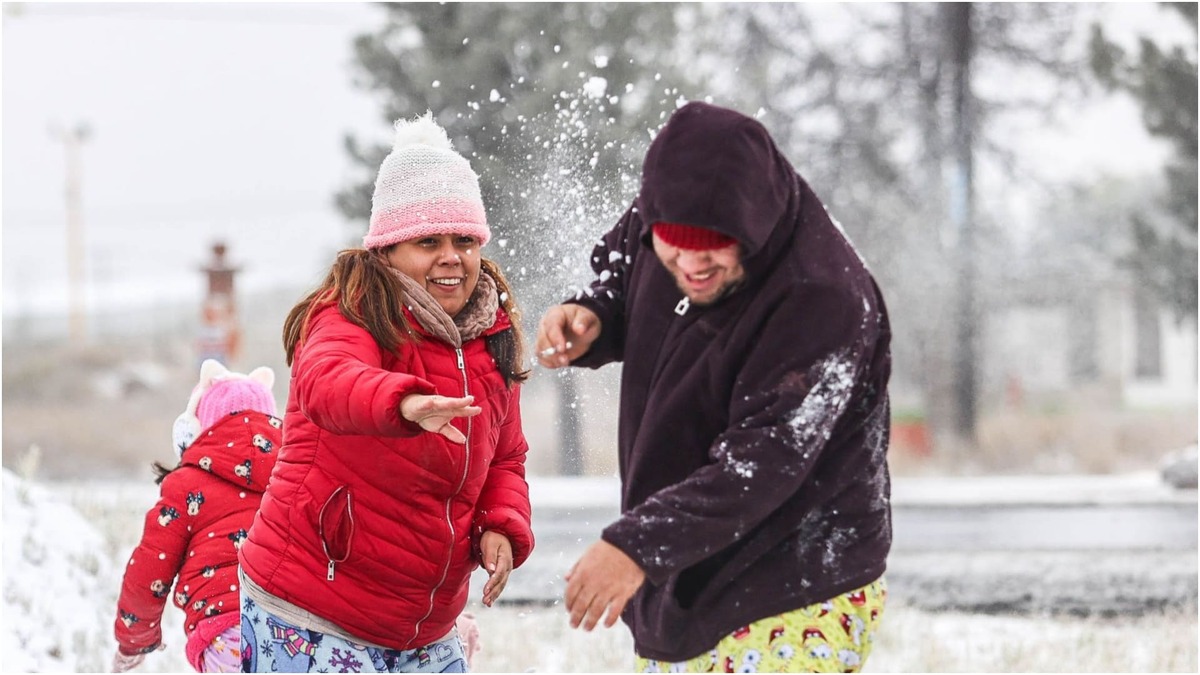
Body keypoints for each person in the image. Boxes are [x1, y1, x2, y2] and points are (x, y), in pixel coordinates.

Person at [536, 101, 892, 673]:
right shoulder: (665, 220)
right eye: (674, 248)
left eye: (713, 251)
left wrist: (636, 546)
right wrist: (595, 313)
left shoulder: (823, 298)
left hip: (795, 578)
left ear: (750, 226)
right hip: (688, 567)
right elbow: (623, 263)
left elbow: (764, 460)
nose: (692, 265)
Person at [237, 112, 534, 673]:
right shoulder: (350, 312)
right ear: (388, 250)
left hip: (423, 630)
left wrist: (499, 523)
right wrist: (400, 401)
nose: (452, 257)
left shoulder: (490, 340)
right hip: (310, 610)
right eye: (429, 241)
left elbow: (506, 458)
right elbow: (326, 380)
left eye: (465, 240)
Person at [113, 359, 282, 673]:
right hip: (297, 627)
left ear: (199, 428)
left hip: (226, 630)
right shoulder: (294, 476)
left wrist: (135, 639)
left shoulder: (186, 484)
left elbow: (151, 565)